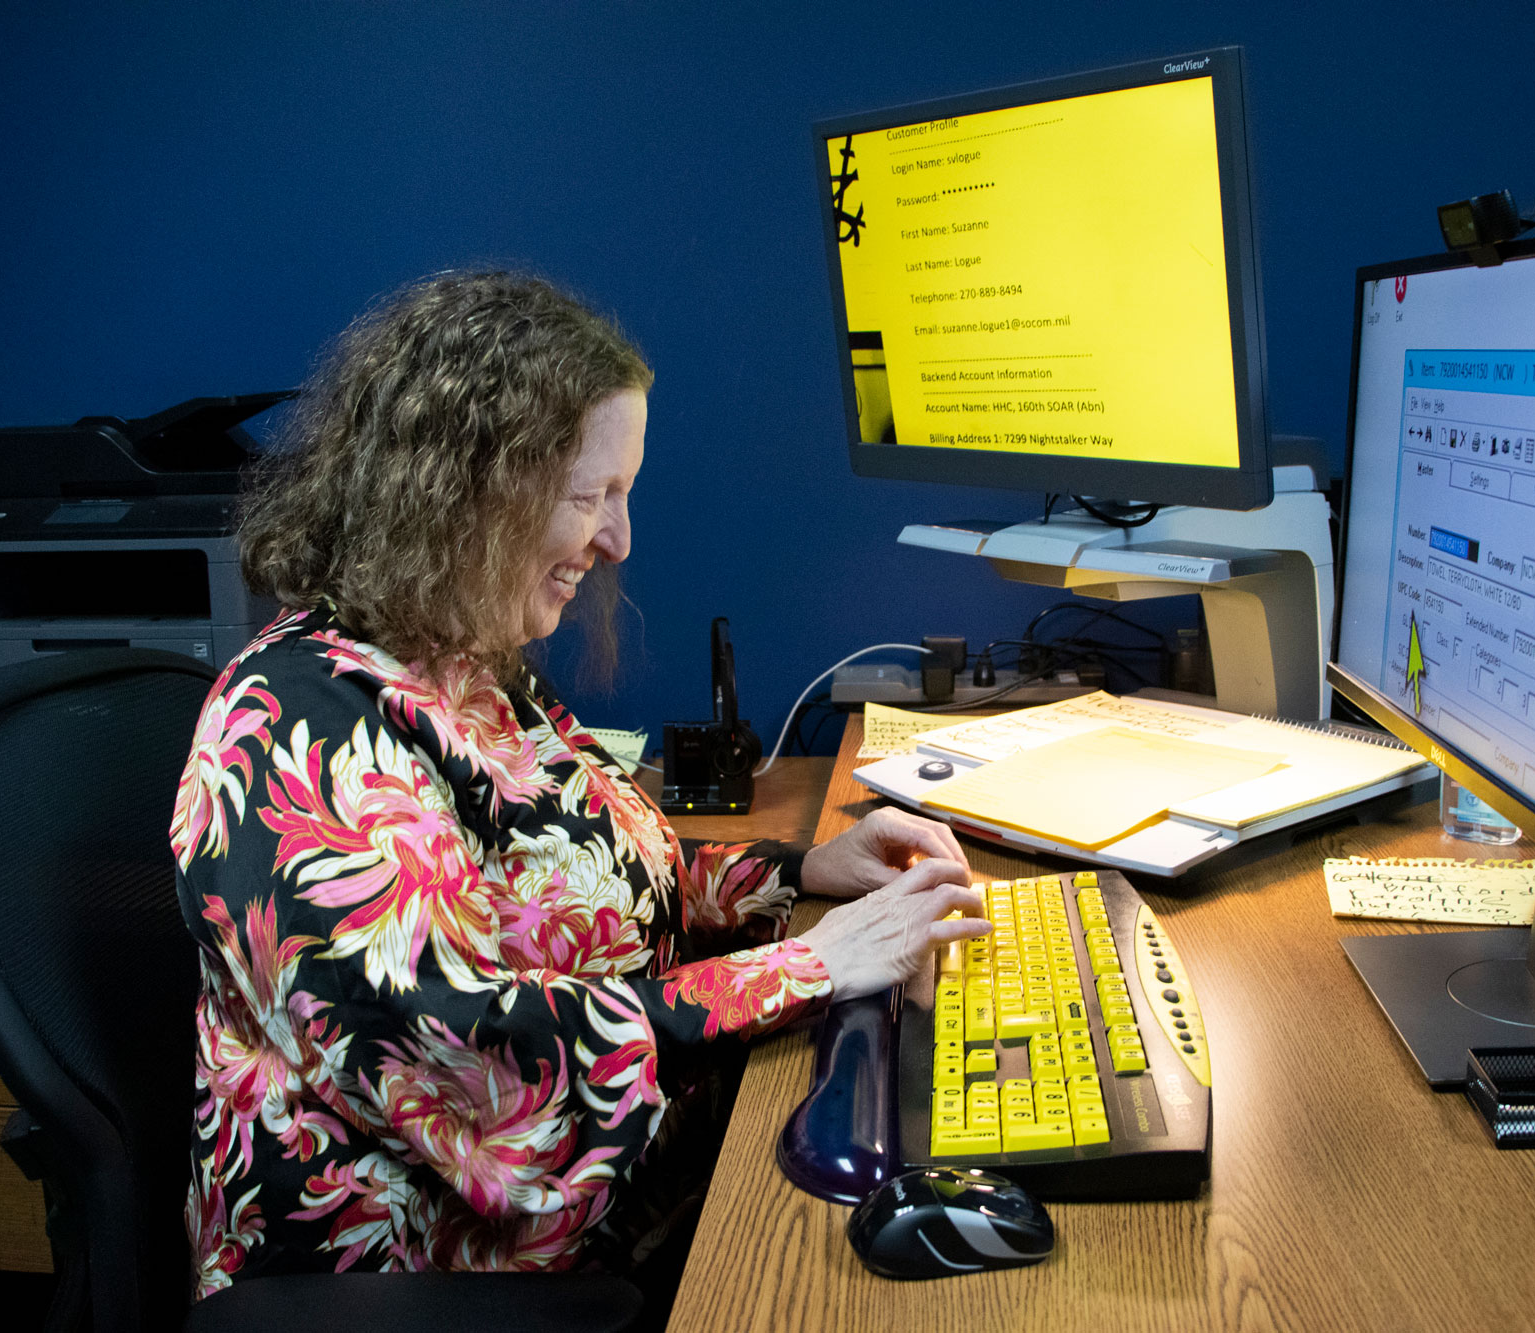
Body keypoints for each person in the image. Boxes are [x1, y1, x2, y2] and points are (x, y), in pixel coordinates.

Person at [170, 270, 987, 1303]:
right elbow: (472, 1065)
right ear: (462, 491)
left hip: (613, 1203)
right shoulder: (298, 733)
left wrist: (794, 873)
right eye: (588, 496)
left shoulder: (463, 657)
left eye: (624, 492)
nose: (618, 541)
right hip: (431, 1279)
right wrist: (806, 969)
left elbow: (587, 868)